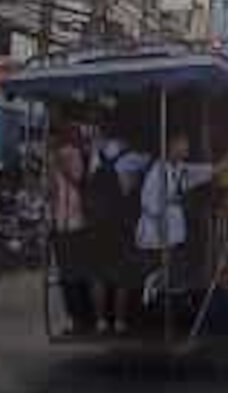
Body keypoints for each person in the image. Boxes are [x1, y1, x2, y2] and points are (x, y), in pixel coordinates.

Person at [134, 132, 217, 306]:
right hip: (160, 236)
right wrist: (162, 235)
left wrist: (217, 169)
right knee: (164, 273)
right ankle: (154, 295)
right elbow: (150, 205)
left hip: (173, 234)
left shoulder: (177, 168)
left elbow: (197, 172)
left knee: (173, 273)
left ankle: (165, 299)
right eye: (183, 144)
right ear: (172, 146)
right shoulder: (157, 172)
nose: (187, 148)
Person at [86, 121, 151, 335]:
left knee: (98, 274)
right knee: (122, 274)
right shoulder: (134, 157)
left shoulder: (97, 153)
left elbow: (88, 182)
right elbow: (152, 165)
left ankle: (100, 321)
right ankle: (120, 321)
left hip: (96, 223)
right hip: (121, 223)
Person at [48, 124, 91, 334]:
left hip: (74, 223)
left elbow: (79, 181)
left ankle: (81, 319)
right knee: (67, 277)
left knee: (74, 276)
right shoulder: (58, 157)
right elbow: (53, 192)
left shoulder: (74, 155)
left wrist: (62, 166)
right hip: (62, 223)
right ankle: (76, 319)